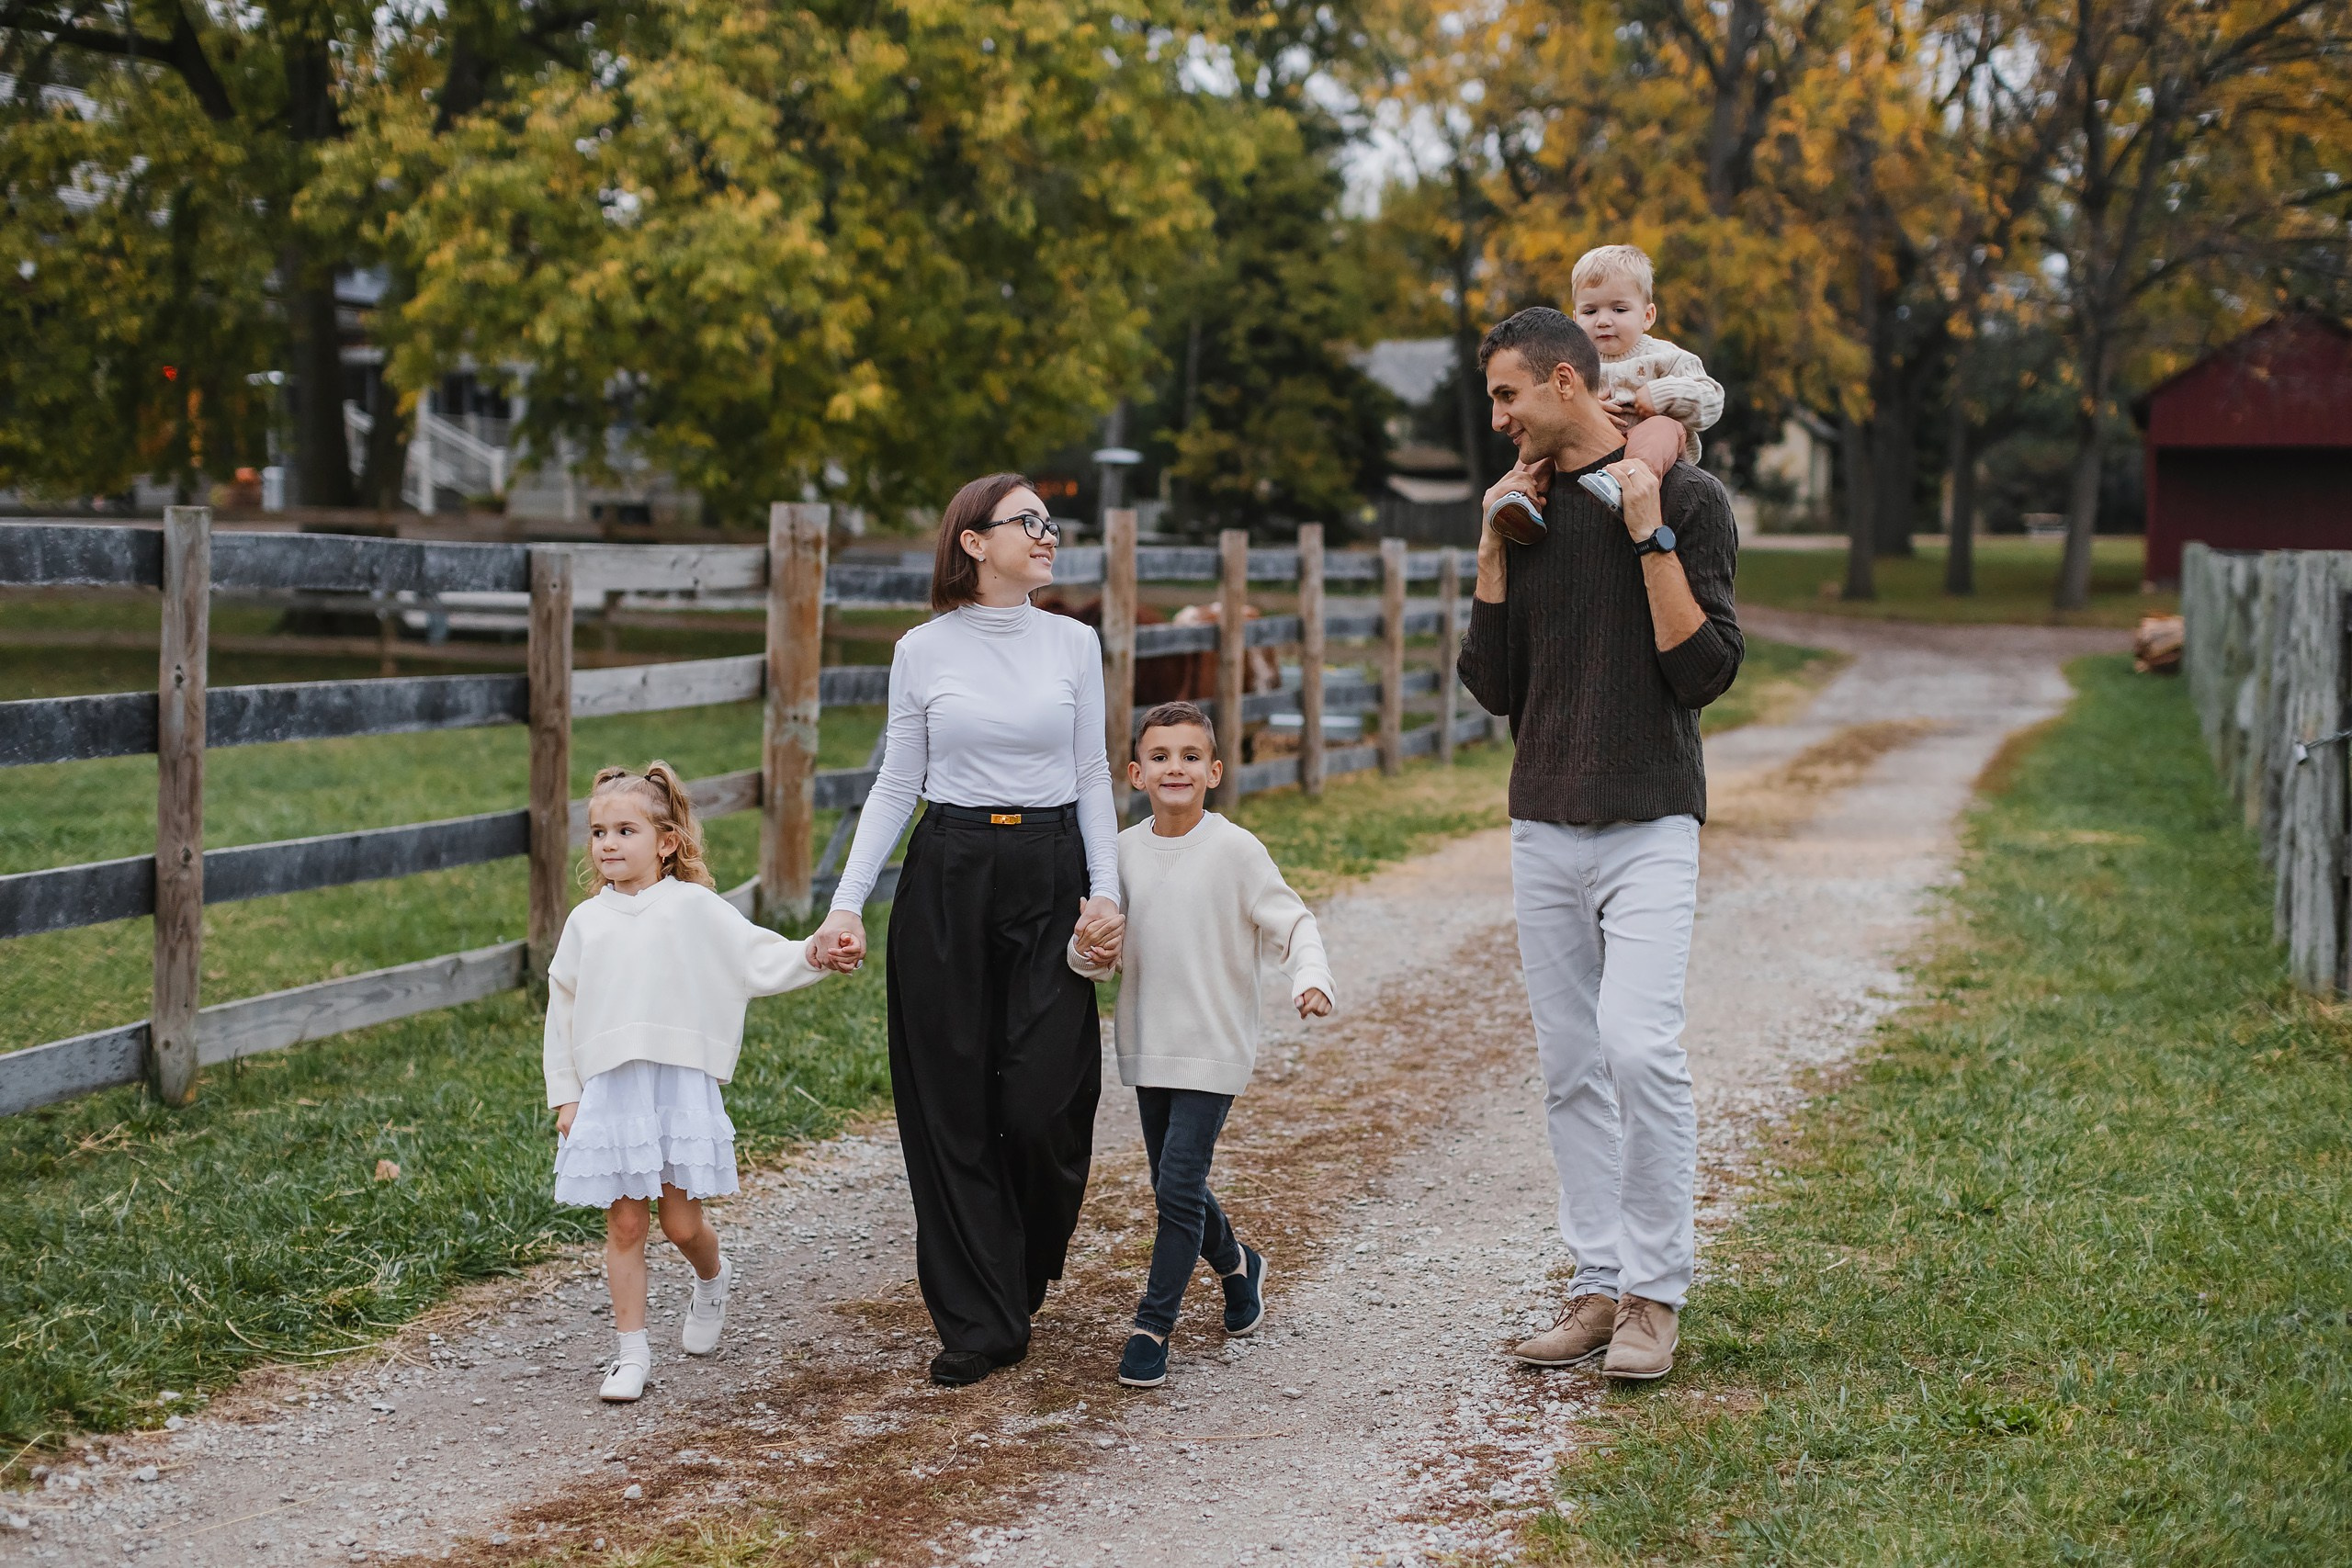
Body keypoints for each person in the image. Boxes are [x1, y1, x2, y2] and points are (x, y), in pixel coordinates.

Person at [1457, 306, 1743, 1382]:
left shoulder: (1688, 497)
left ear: (1569, 384)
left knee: (1638, 1049)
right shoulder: (1519, 512)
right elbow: (1491, 686)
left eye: (1508, 395)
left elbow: (1703, 671)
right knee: (1572, 1066)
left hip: (1651, 818)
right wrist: (1491, 543)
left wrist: (1645, 527)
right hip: (1543, 819)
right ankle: (1594, 1283)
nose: (1498, 418)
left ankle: (1653, 1297)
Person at [806, 474, 1127, 1389]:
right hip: (946, 873)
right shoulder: (921, 650)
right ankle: (978, 1318)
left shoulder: (1072, 643)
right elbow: (896, 783)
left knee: (1043, 1101)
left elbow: (1094, 774)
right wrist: (844, 902)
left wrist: (1104, 892)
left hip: (1049, 869)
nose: (1047, 535)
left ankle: (1017, 1266)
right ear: (973, 543)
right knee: (947, 1102)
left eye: (1049, 522)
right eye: (1027, 522)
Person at [545, 762, 835, 1403]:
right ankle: (631, 1354)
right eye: (598, 832)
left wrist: (814, 952)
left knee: (679, 1224)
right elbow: (561, 1004)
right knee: (624, 1224)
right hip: (613, 1091)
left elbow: (756, 955)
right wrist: (567, 1091)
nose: (608, 844)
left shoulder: (694, 908)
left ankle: (713, 1277)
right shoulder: (587, 922)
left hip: (675, 1087)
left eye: (625, 829)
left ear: (667, 840)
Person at [1066, 702, 1335, 1389]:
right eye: (1160, 756)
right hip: (1149, 1042)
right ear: (1136, 772)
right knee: (1173, 1184)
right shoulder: (1119, 854)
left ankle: (1153, 1324)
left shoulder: (1236, 850)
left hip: (1214, 1047)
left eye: (1190, 756)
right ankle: (1239, 1265)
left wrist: (1311, 978)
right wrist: (1085, 949)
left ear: (1214, 770)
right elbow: (1095, 955)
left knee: (1177, 1184)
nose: (1175, 767)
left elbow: (1294, 921)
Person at [1570, 243, 1726, 469]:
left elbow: (1711, 399)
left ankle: (1632, 479)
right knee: (1544, 442)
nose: (1603, 320)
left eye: (1619, 310)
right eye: (1590, 311)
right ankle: (1521, 492)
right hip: (1590, 453)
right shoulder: (1571, 364)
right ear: (1575, 319)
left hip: (1653, 456)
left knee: (1661, 427)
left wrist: (1664, 395)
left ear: (1647, 316)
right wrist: (1582, 410)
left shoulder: (1665, 357)